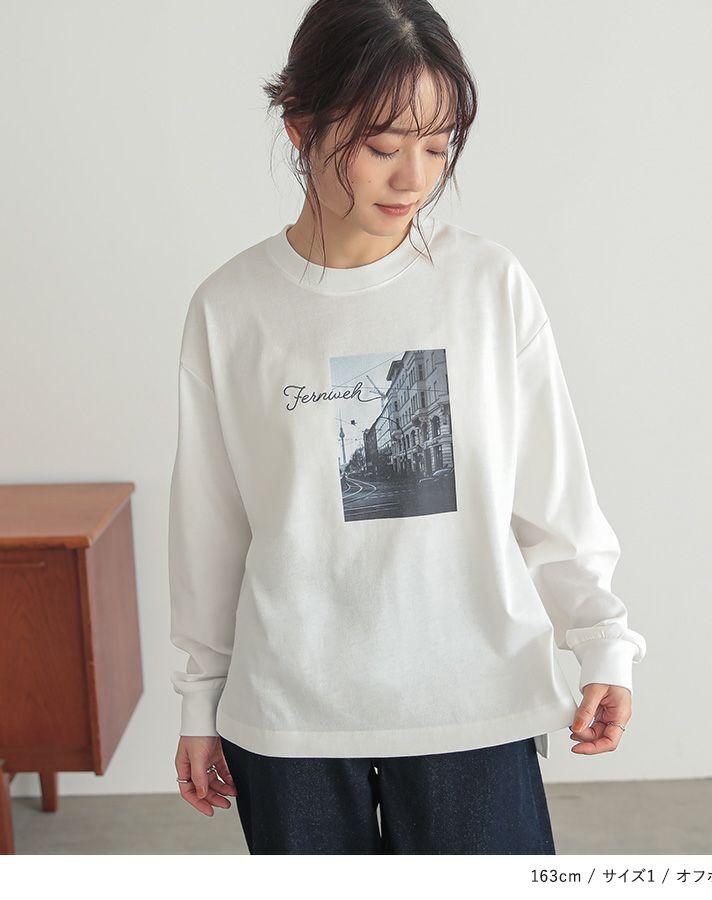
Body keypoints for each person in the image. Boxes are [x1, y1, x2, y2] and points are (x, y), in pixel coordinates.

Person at [168, 0, 647, 855]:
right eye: (383, 147)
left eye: (437, 146)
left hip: (475, 701)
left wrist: (604, 642)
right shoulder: (231, 308)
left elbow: (552, 496)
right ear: (300, 128)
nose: (414, 179)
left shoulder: (488, 287)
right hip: (292, 721)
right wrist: (201, 697)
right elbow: (211, 527)